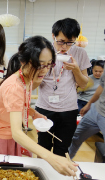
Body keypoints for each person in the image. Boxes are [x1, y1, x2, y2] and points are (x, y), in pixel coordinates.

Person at [0, 36, 78, 177]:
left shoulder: (28, 78)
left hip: (9, 138)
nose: (44, 70)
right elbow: (16, 133)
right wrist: (51, 157)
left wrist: (33, 113)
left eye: (49, 64)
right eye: (40, 64)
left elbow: (18, 105)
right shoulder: (14, 86)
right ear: (24, 61)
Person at [34, 18, 91, 157]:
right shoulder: (43, 51)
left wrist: (76, 70)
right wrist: (42, 70)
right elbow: (33, 83)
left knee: (62, 148)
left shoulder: (80, 53)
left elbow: (84, 84)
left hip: (68, 109)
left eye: (69, 42)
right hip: (44, 108)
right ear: (53, 36)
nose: (64, 47)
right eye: (60, 41)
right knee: (43, 147)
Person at [69, 68, 105, 159]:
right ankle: (66, 162)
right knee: (76, 137)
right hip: (95, 110)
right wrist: (89, 104)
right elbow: (101, 88)